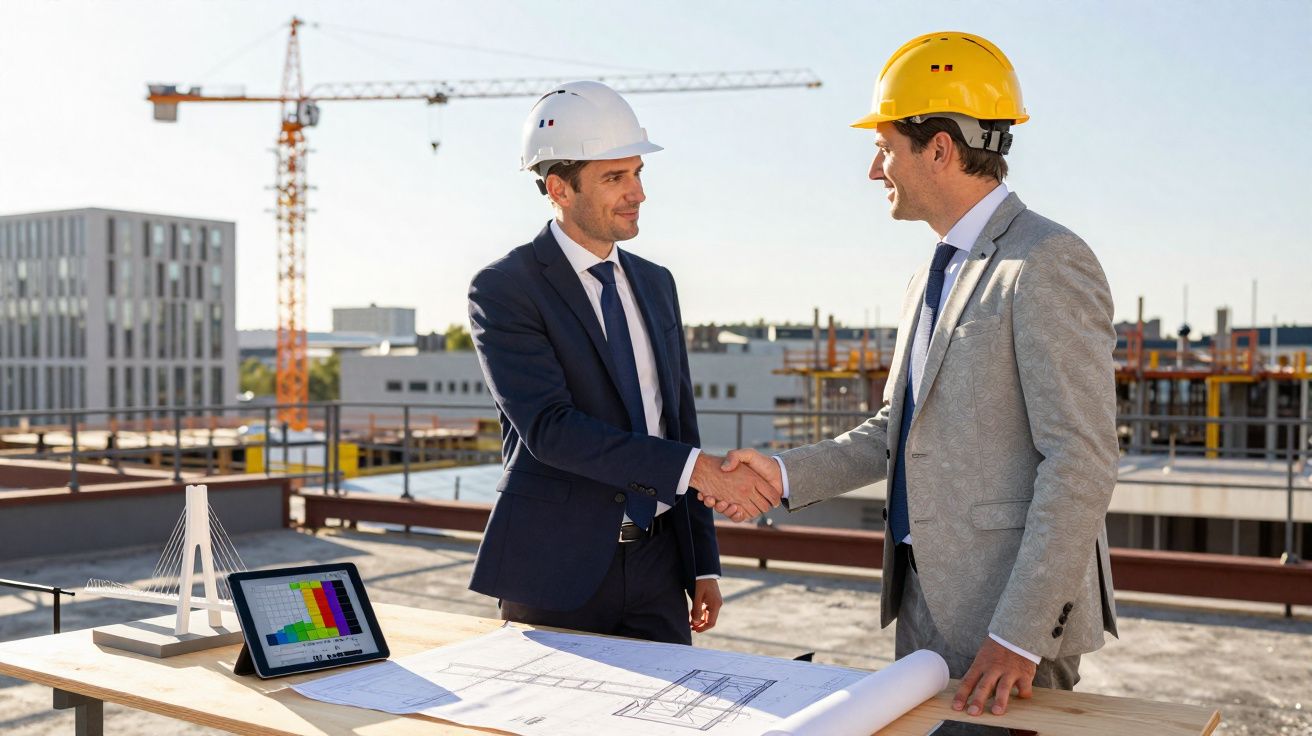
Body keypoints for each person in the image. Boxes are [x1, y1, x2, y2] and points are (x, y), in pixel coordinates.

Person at [704, 32, 1119, 729]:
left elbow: (1080, 460)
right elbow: (892, 432)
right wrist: (780, 473)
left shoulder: (1046, 260)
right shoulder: (930, 275)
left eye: (886, 146)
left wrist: (1017, 636)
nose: (875, 169)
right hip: (925, 604)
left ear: (940, 149)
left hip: (1006, 621)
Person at [467, 81, 780, 645]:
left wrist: (701, 563)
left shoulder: (656, 284)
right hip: (554, 569)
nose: (637, 192)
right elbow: (550, 430)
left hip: (660, 565)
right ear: (559, 188)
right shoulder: (504, 288)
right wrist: (697, 469)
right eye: (615, 178)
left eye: (638, 173)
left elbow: (678, 421)